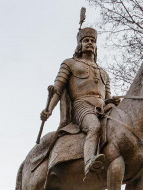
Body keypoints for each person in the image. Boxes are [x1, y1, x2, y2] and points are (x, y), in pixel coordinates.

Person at [41, 26, 112, 178]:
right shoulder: (69, 64)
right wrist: (49, 109)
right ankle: (88, 163)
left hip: (103, 108)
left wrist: (114, 102)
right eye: (86, 40)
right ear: (79, 44)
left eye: (93, 41)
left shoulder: (104, 73)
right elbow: (57, 89)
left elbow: (107, 98)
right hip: (82, 106)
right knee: (94, 126)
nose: (89, 43)